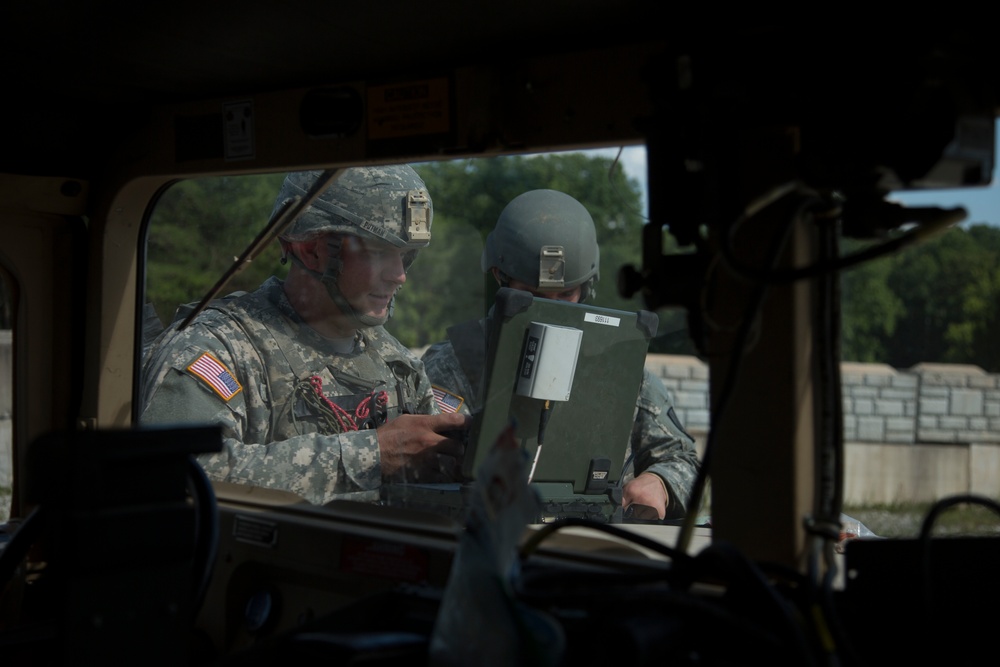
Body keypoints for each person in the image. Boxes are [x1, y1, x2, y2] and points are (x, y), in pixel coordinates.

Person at [140, 165, 468, 505]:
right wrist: (369, 455)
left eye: (405, 255)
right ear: (312, 250)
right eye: (380, 252)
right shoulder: (219, 347)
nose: (399, 275)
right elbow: (171, 474)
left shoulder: (396, 361)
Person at [421, 189, 700, 520]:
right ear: (501, 278)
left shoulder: (618, 367)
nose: (552, 309)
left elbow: (683, 459)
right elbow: (422, 472)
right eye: (535, 295)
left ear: (586, 287)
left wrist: (660, 483)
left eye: (566, 294)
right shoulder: (453, 365)